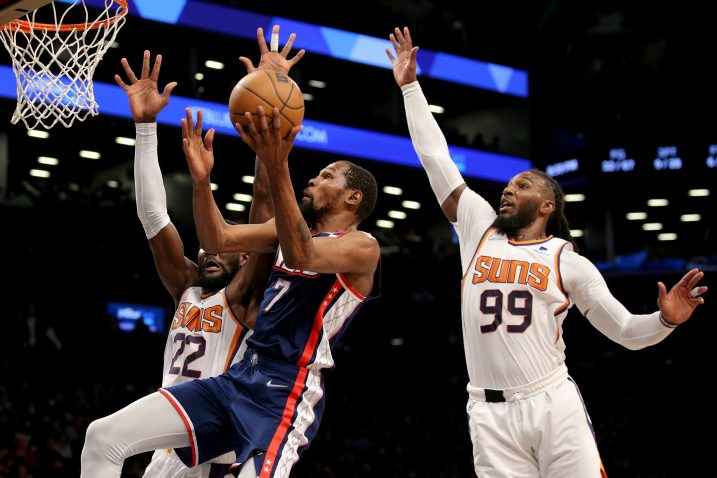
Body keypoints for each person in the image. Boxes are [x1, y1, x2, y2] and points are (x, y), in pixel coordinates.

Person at [386, 26, 708, 478]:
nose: (508, 189)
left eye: (523, 185)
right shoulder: (480, 226)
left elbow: (626, 332)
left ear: (547, 204)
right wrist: (411, 87)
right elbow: (435, 157)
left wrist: (666, 320)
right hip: (487, 412)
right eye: (509, 184)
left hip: (550, 401)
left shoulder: (567, 260)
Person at [80, 31, 380, 478]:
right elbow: (217, 237)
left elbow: (299, 252)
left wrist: (276, 156)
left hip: (284, 392)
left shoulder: (363, 247)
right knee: (103, 436)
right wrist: (202, 182)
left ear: (353, 198)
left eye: (326, 175)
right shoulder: (213, 272)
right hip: (235, 382)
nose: (312, 181)